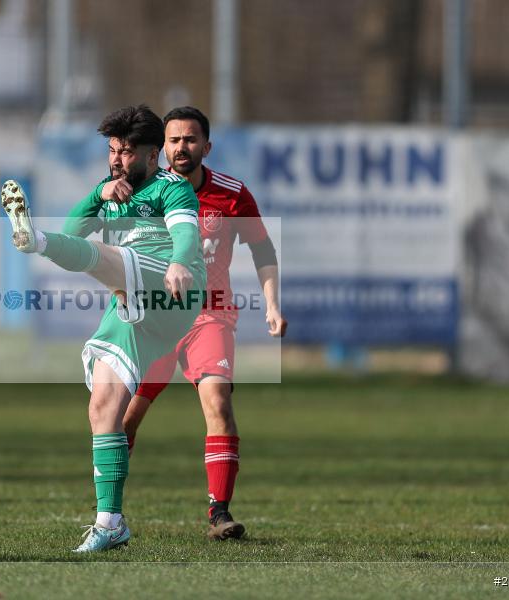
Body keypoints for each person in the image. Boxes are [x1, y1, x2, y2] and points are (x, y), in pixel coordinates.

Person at [1, 105, 206, 552]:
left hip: (173, 288)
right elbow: (74, 233)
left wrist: (177, 261)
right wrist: (97, 196)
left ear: (154, 157)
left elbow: (186, 236)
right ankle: (110, 522)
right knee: (103, 406)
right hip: (131, 303)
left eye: (127, 152)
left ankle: (30, 237)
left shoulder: (172, 189)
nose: (117, 160)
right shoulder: (109, 191)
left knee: (112, 257)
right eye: (112, 151)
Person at [121, 106, 287, 540]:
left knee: (218, 405)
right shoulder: (142, 192)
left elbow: (264, 252)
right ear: (161, 148)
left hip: (208, 316)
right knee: (123, 419)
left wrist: (271, 304)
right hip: (154, 318)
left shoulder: (232, 195)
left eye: (190, 140)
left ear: (206, 147)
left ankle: (220, 514)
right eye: (173, 140)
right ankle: (109, 514)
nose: (181, 148)